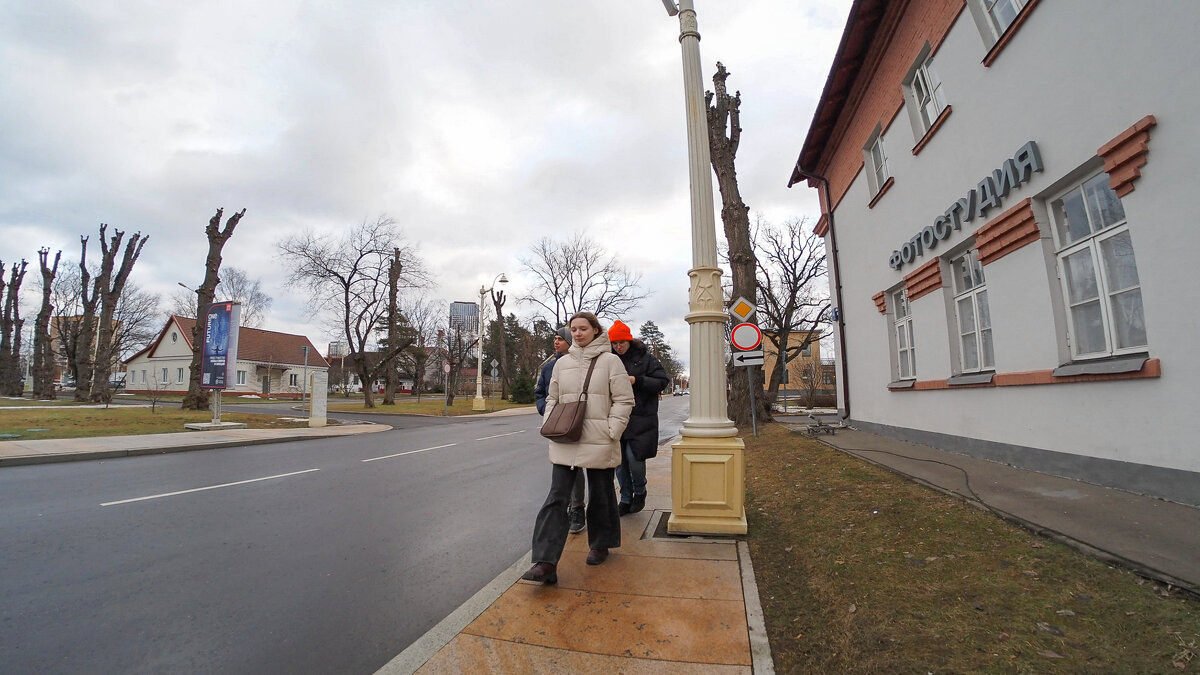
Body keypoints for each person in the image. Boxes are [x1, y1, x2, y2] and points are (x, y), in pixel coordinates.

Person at [521, 312, 634, 584]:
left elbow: (624, 399)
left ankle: (600, 543)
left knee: (601, 494)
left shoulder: (610, 361)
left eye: (583, 328)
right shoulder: (561, 364)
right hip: (565, 438)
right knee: (557, 496)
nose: (578, 333)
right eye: (574, 329)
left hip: (599, 438)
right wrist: (550, 422)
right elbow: (552, 397)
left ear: (596, 330)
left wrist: (612, 430)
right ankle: (545, 563)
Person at [607, 320, 670, 515]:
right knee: (619, 463)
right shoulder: (608, 359)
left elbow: (662, 381)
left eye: (622, 343)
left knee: (634, 459)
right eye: (615, 343)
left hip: (641, 418)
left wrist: (637, 380)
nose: (618, 347)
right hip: (616, 417)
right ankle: (625, 499)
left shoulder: (646, 359)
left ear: (629, 340)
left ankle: (640, 491)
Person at [534, 326, 587, 535]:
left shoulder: (582, 363)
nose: (556, 342)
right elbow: (541, 392)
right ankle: (565, 506)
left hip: (575, 421)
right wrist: (544, 410)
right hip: (556, 423)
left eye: (560, 339)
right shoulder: (549, 367)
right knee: (561, 465)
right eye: (554, 339)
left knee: (575, 465)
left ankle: (577, 508)